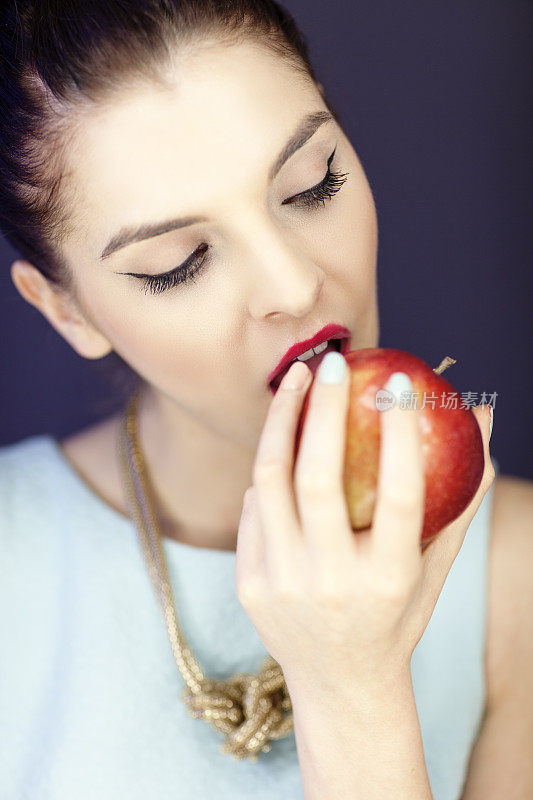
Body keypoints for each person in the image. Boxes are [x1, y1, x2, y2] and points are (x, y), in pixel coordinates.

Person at [0, 1, 531, 798]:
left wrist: (353, 695)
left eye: (312, 184)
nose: (293, 285)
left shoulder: (515, 583)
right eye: (179, 263)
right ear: (65, 310)